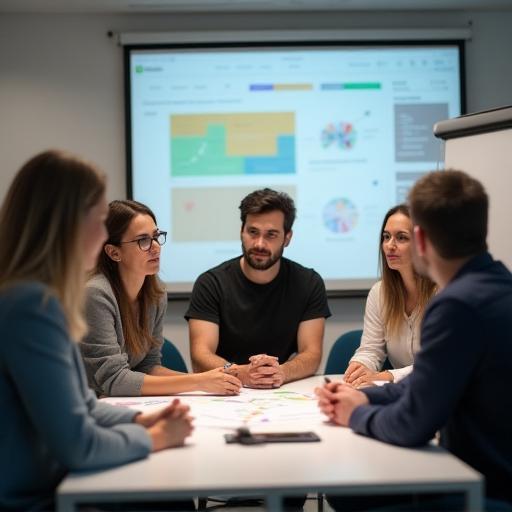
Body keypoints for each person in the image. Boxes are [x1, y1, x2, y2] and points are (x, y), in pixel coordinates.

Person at [0, 150, 194, 511]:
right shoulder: (30, 308)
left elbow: (84, 405)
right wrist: (154, 438)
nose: (105, 233)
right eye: (100, 219)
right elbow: (80, 445)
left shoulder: (37, 297)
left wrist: (141, 417)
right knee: (169, 499)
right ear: (67, 223)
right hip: (34, 499)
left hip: (49, 486)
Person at [316, 170, 512, 510]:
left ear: (420, 241)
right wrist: (364, 396)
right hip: (489, 474)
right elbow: (428, 382)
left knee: (349, 495)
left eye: (403, 237)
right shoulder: (498, 284)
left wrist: (354, 415)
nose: (392, 246)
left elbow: (412, 424)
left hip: (484, 488)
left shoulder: (455, 305)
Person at [80, 199, 242, 397]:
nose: (156, 247)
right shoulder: (96, 295)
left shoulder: (155, 294)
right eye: (143, 240)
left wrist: (214, 377)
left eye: (156, 236)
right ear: (114, 252)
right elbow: (113, 380)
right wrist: (199, 381)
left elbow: (147, 366)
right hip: (85, 408)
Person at [186, 188, 331, 389]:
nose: (260, 244)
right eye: (253, 232)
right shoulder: (211, 283)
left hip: (281, 391)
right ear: (241, 231)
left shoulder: (309, 282)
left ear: (287, 238)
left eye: (271, 235)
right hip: (225, 390)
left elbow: (312, 353)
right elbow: (200, 355)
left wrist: (281, 372)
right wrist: (240, 372)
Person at [344, 204, 436, 387]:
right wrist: (359, 365)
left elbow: (441, 361)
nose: (389, 245)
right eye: (386, 237)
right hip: (403, 396)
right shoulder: (380, 293)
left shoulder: (445, 292)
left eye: (401, 238)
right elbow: (371, 349)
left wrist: (388, 376)